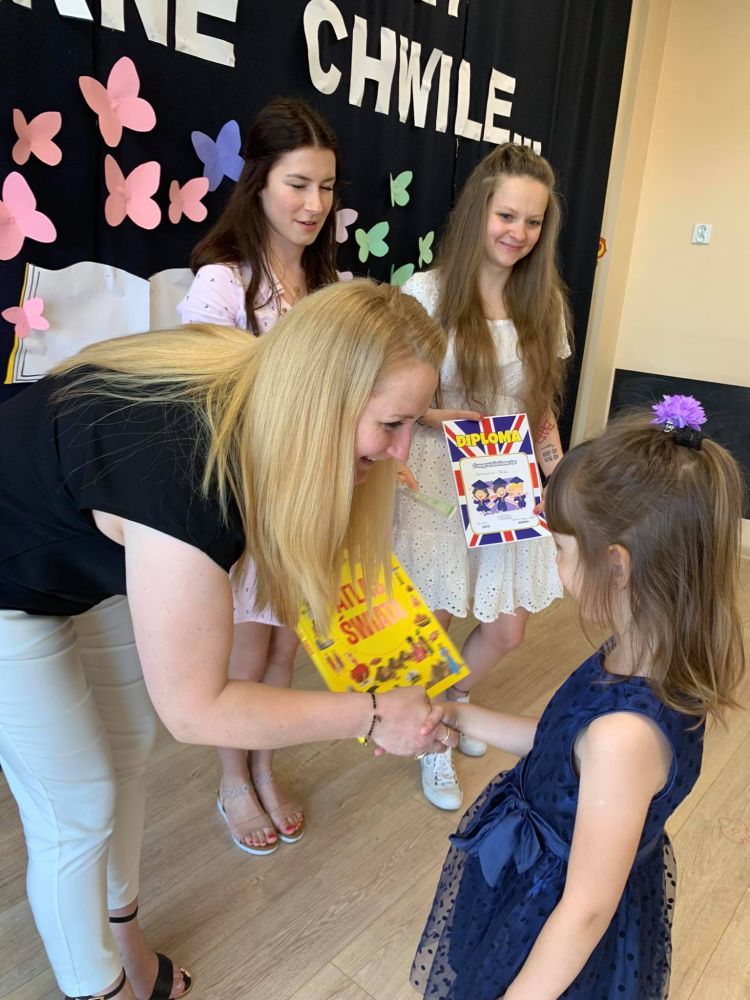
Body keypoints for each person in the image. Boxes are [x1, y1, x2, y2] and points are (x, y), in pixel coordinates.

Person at [0, 280, 457, 1000]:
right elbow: (197, 709)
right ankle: (98, 990)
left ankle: (121, 933)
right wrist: (371, 715)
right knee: (75, 807)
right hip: (10, 573)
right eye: (392, 425)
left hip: (71, 549)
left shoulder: (254, 388)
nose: (403, 452)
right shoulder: (189, 474)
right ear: (323, 400)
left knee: (125, 751)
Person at [410, 400, 746, 999]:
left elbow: (585, 912)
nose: (557, 564)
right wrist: (459, 713)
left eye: (562, 549)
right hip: (537, 880)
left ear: (617, 565)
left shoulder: (626, 736)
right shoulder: (639, 653)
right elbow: (560, 743)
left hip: (554, 918)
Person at [178, 96, 340, 853]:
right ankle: (231, 780)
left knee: (285, 648)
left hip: (314, 500)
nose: (313, 205)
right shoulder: (223, 284)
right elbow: (207, 403)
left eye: (326, 187)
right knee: (245, 651)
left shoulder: (327, 285)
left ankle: (265, 765)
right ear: (259, 182)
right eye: (297, 184)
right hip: (248, 500)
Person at [394, 143, 572, 810]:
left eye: (533, 221)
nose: (518, 233)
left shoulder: (543, 302)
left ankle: (454, 703)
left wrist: (557, 479)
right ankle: (432, 737)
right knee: (431, 622)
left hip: (506, 475)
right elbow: (386, 393)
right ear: (478, 212)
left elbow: (540, 407)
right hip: (437, 474)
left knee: (508, 628)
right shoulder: (426, 293)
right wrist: (436, 415)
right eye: (507, 215)